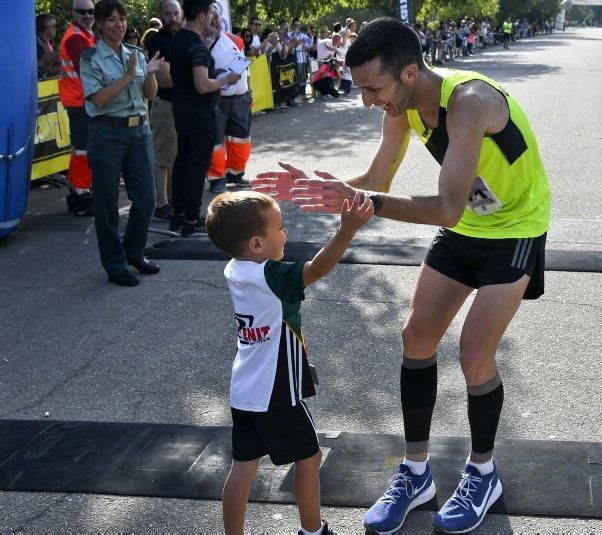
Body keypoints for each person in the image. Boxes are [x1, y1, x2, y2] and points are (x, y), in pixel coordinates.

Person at [252, 17, 551, 534]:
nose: (367, 101)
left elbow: (447, 208)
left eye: (374, 88)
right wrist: (326, 189)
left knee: (475, 351)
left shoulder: (470, 103)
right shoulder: (404, 106)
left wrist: (365, 201)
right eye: (361, 89)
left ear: (410, 72)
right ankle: (416, 472)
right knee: (415, 336)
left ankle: (483, 472)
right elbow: (376, 179)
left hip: (515, 227)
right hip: (470, 225)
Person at [206, 190, 373, 535]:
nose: (285, 234)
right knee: (309, 458)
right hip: (276, 392)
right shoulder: (270, 276)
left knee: (242, 468)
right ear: (256, 244)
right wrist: (347, 230)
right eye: (280, 228)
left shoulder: (235, 269)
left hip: (245, 389)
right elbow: (317, 269)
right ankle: (314, 532)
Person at [80, 0, 164, 286]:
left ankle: (134, 252)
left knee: (146, 198)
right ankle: (115, 265)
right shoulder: (90, 58)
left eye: (122, 19)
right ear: (101, 25)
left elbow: (149, 95)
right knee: (106, 202)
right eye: (112, 20)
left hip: (139, 132)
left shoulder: (136, 53)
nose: (119, 25)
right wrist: (128, 76)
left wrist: (149, 73)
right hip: (107, 133)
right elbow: (98, 99)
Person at [168, 0, 240, 237]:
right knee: (197, 166)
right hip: (200, 113)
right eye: (210, 12)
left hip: (182, 109)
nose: (212, 17)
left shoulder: (177, 39)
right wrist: (225, 80)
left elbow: (179, 78)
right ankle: (191, 218)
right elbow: (202, 85)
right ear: (201, 15)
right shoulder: (196, 46)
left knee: (183, 162)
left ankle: (179, 215)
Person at [205, 7, 252, 193]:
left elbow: (245, 65)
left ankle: (236, 174)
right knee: (215, 141)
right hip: (218, 100)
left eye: (217, 16)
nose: (216, 20)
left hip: (241, 98)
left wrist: (249, 92)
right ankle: (216, 178)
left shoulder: (234, 39)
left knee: (241, 139)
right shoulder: (201, 42)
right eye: (212, 16)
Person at [59, 0, 97, 216]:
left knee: (83, 149)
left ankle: (80, 191)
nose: (87, 15)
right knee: (83, 149)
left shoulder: (85, 35)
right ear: (73, 12)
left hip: (83, 101)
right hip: (80, 101)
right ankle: (81, 195)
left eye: (91, 11)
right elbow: (90, 68)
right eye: (82, 12)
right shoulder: (76, 37)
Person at [146, 0, 182, 221]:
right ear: (161, 15)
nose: (172, 18)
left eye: (176, 13)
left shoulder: (182, 38)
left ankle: (171, 201)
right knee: (163, 158)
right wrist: (193, 78)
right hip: (164, 105)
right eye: (167, 14)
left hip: (179, 106)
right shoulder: (157, 40)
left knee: (175, 157)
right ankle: (161, 204)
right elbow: (165, 79)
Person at [36, 14, 60, 79]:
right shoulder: (37, 46)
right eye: (54, 26)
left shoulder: (47, 42)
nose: (56, 28)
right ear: (47, 29)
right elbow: (42, 70)